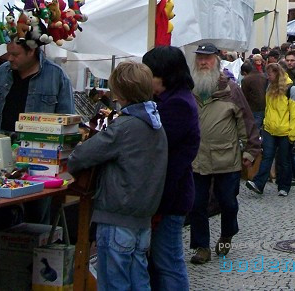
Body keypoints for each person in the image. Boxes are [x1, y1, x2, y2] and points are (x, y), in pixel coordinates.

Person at [68, 61, 167, 290]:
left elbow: (81, 156)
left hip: (117, 217)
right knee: (139, 281)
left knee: (115, 284)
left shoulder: (124, 127)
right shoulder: (156, 125)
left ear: (120, 93)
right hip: (142, 219)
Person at [188, 42, 261, 264]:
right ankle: (202, 246)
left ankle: (227, 233)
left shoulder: (231, 90)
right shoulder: (190, 89)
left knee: (228, 202)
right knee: (197, 204)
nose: (202, 62)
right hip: (198, 158)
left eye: (207, 58)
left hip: (226, 158)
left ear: (216, 61)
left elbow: (246, 121)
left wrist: (251, 150)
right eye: (199, 58)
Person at [141, 47, 200, 291]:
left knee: (168, 262)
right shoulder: (170, 99)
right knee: (160, 261)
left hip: (171, 197)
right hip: (168, 196)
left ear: (165, 74)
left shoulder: (178, 104)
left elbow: (158, 150)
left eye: (150, 74)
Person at [0, 38, 75, 136]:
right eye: (8, 53)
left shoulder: (57, 76)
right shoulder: (1, 72)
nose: (10, 58)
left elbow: (66, 120)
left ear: (31, 51)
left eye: (15, 54)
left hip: (39, 146)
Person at [245, 62, 295, 197]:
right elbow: (268, 108)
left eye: (269, 74)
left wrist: (293, 134)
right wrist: (265, 124)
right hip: (269, 129)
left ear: (276, 74)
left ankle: (284, 186)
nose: (267, 76)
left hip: (285, 131)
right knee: (267, 156)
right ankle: (259, 183)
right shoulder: (269, 87)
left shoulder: (290, 89)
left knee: (284, 160)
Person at [240, 61, 266, 134]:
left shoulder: (246, 80)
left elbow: (243, 96)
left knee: (253, 131)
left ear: (245, 72)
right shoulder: (263, 76)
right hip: (265, 107)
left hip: (253, 108)